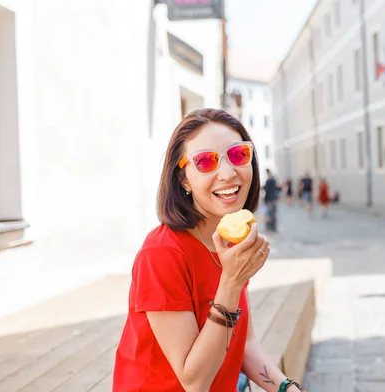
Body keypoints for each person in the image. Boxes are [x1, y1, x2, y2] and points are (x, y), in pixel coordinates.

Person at [113, 109, 304, 392]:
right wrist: (231, 281)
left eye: (238, 154)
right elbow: (194, 381)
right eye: (205, 162)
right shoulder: (161, 254)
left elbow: (245, 343)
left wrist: (286, 388)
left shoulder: (230, 241)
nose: (227, 174)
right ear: (184, 179)